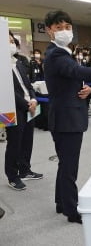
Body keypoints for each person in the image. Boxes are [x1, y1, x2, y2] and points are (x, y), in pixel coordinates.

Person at [43, 10, 91, 223]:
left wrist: (86, 89)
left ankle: (61, 202)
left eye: (68, 27)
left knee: (65, 163)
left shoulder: (62, 52)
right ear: (49, 30)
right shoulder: (56, 54)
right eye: (59, 28)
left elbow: (70, 79)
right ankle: (71, 209)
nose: (64, 31)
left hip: (67, 114)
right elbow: (76, 71)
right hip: (66, 118)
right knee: (70, 165)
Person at [5, 31, 43, 191]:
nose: (12, 43)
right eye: (8, 41)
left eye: (12, 40)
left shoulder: (19, 62)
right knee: (14, 143)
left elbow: (28, 85)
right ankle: (12, 176)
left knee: (27, 140)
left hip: (29, 106)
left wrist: (34, 99)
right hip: (12, 109)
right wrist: (27, 104)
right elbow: (7, 91)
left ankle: (25, 169)